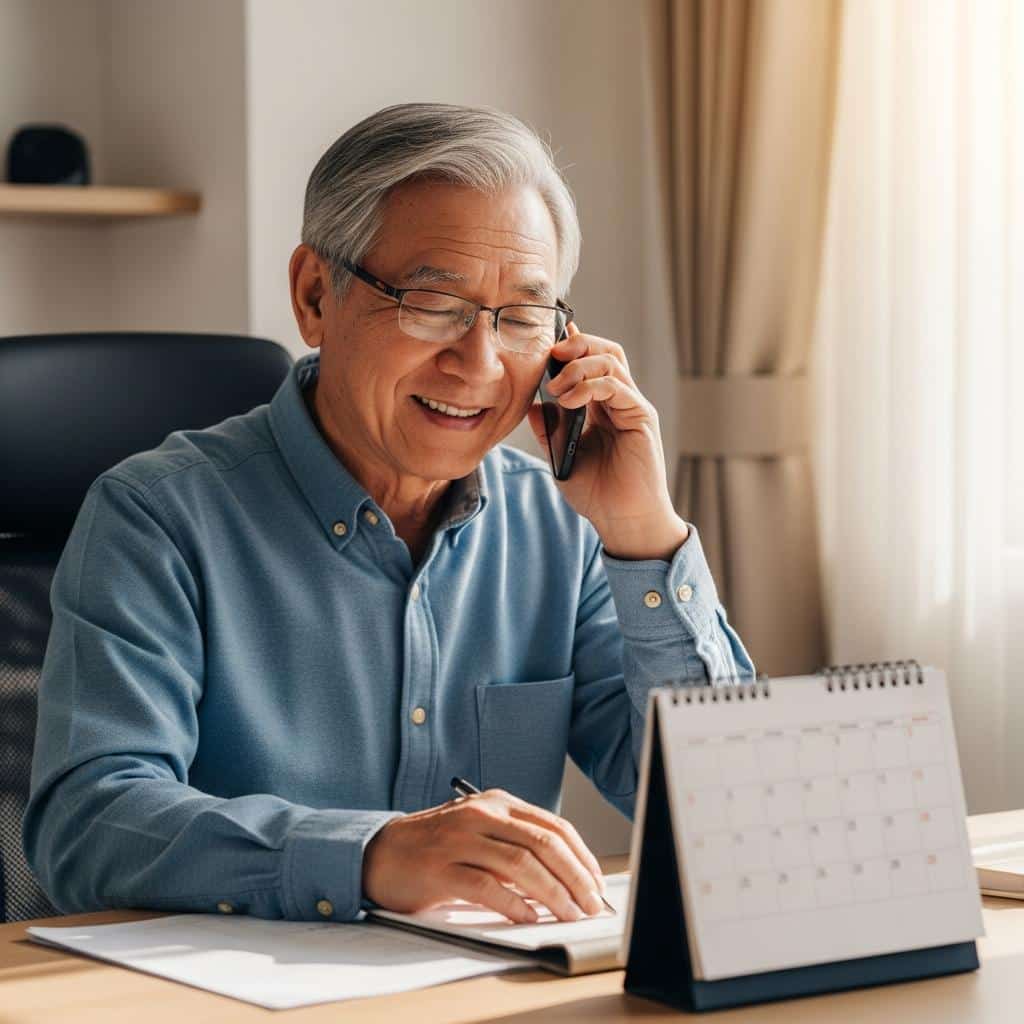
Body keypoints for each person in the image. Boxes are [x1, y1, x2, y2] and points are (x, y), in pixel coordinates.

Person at [24, 103, 752, 926]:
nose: (478, 363)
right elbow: (88, 826)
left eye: (520, 317)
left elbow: (724, 817)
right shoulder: (155, 517)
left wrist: (646, 537)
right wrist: (368, 857)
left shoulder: (563, 530)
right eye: (432, 303)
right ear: (313, 296)